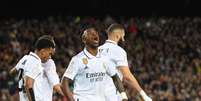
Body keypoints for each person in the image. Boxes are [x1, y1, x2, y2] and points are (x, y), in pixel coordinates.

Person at [61, 27, 128, 101]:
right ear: (84, 39)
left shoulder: (105, 58)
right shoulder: (77, 60)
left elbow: (115, 77)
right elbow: (64, 83)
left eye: (96, 34)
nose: (95, 35)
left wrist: (123, 96)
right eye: (91, 34)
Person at [99, 23, 152, 101]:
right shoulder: (119, 51)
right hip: (111, 95)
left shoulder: (95, 50)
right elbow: (127, 76)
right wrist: (143, 95)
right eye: (123, 36)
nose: (123, 39)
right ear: (117, 35)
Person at [9, 35, 58, 101]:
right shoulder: (35, 62)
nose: (50, 57)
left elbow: (11, 72)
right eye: (49, 54)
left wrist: (22, 72)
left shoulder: (25, 58)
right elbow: (28, 85)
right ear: (43, 51)